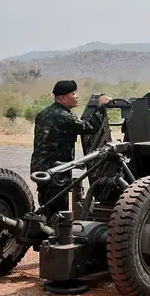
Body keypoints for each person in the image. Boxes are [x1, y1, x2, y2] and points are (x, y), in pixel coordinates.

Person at [30, 80, 110, 218]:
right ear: (62, 98)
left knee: (47, 205)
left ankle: (45, 230)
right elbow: (89, 127)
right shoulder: (63, 115)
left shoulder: (44, 113)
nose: (77, 96)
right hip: (56, 171)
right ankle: (57, 236)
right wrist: (102, 106)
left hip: (40, 167)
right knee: (59, 212)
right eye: (73, 93)